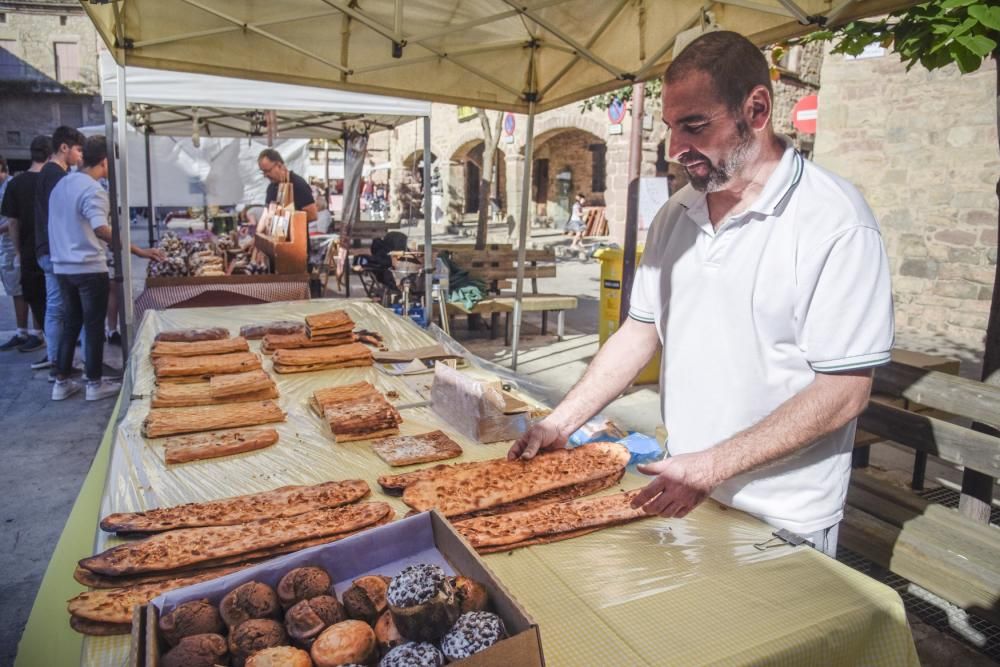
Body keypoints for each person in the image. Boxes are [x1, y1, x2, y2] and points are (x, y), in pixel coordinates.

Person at [508, 31, 894, 558]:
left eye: (694, 126)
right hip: (685, 484)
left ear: (756, 108)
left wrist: (710, 466)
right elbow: (641, 332)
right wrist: (560, 423)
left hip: (782, 515)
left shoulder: (835, 221)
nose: (675, 149)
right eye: (671, 128)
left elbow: (845, 391)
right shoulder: (677, 213)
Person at [46, 135, 121, 400]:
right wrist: (135, 248)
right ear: (104, 161)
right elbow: (101, 228)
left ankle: (61, 381)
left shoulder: (62, 184)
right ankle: (94, 383)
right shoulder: (93, 189)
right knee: (92, 326)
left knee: (71, 324)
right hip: (88, 267)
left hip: (63, 267)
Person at [34, 125, 85, 375]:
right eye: (77, 150)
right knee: (66, 308)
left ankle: (59, 361)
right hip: (56, 251)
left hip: (47, 249)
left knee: (57, 307)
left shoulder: (47, 173)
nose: (79, 156)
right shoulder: (56, 175)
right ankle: (66, 364)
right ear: (63, 148)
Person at [0, 137, 51, 354]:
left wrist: (18, 251)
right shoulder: (54, 180)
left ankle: (33, 335)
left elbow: (12, 221)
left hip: (24, 248)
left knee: (28, 292)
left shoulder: (15, 184)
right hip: (48, 247)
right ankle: (38, 336)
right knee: (46, 295)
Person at [257, 149, 317, 222]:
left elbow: (313, 215)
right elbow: (267, 213)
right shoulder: (271, 188)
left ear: (279, 165)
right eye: (263, 172)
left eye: (268, 171)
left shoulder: (298, 184)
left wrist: (286, 220)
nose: (265, 175)